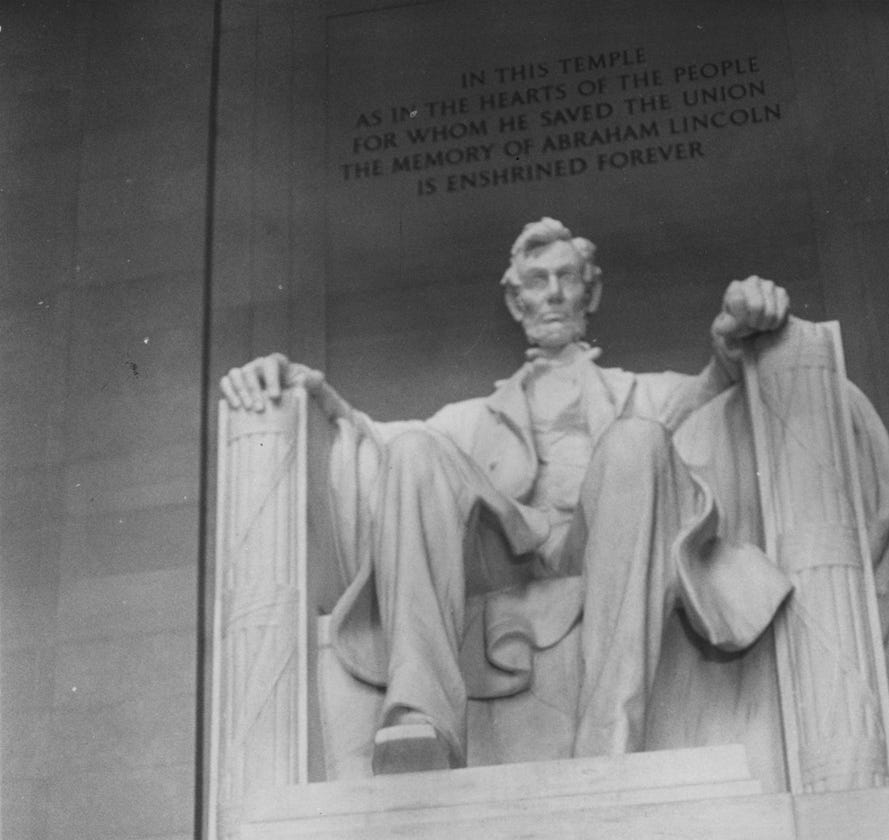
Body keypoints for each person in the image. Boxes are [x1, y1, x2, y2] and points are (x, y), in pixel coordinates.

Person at [220, 219, 792, 774]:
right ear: (517, 303)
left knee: (639, 440)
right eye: (536, 282)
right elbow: (371, 446)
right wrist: (311, 393)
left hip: (611, 540)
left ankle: (610, 735)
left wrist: (734, 337)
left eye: (566, 278)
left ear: (590, 294)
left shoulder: (642, 393)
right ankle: (421, 718)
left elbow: (710, 401)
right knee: (417, 449)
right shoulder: (470, 419)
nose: (552, 293)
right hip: (508, 555)